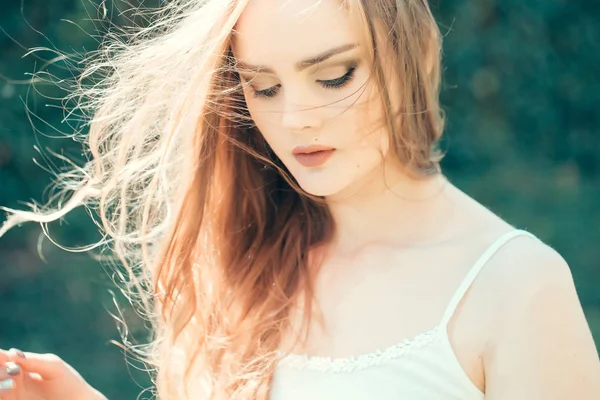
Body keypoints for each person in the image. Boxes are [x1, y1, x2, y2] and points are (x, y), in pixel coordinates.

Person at [1, 0, 599, 399]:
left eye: (334, 76)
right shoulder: (247, 261)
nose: (294, 118)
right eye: (263, 86)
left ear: (411, 60)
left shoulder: (518, 287)